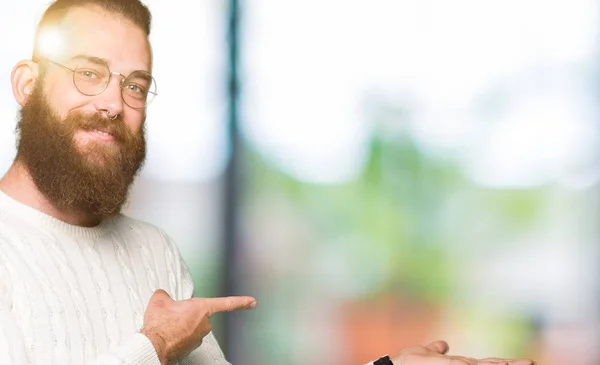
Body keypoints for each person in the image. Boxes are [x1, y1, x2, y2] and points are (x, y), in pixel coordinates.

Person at [0, 1, 536, 364]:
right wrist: (155, 345)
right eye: (88, 73)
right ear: (28, 84)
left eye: (135, 86)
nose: (114, 104)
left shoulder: (153, 251)